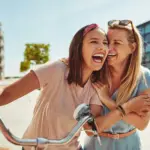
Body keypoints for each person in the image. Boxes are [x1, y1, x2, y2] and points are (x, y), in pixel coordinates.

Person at [0, 23, 109, 150]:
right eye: (94, 41)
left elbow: (91, 129)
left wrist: (119, 107)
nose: (102, 47)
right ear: (79, 47)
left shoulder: (96, 86)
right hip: (35, 146)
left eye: (105, 43)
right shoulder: (57, 69)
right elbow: (6, 95)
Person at [81, 20, 150, 150]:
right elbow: (93, 127)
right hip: (95, 145)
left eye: (117, 43)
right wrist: (129, 108)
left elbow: (142, 124)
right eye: (108, 42)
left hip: (129, 146)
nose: (109, 48)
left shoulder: (145, 77)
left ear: (132, 48)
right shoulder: (95, 74)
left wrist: (107, 100)